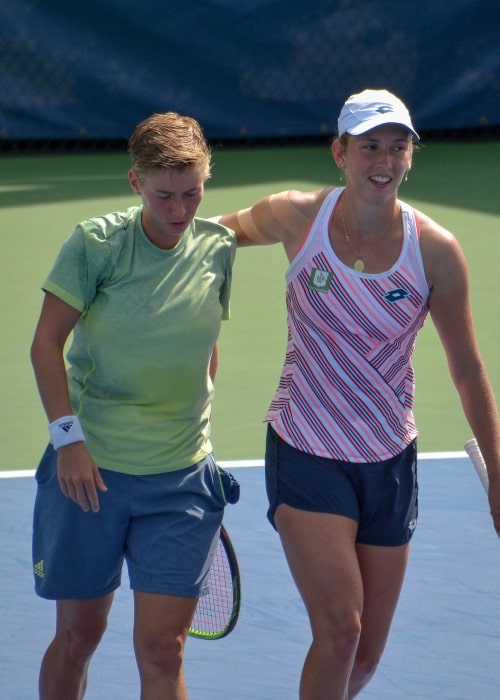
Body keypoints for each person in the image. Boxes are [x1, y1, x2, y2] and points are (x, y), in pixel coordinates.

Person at [218, 88, 500, 699]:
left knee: (365, 656)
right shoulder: (297, 217)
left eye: (398, 148)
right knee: (341, 631)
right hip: (306, 447)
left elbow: (468, 369)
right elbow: (208, 238)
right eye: (370, 146)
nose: (386, 160)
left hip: (389, 460)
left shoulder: (436, 251)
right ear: (339, 152)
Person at [30, 111, 238, 700]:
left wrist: (195, 428)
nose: (180, 209)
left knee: (163, 647)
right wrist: (68, 440)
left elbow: (204, 346)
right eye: (164, 194)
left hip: (181, 481)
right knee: (78, 635)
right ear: (135, 183)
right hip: (88, 475)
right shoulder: (95, 245)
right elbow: (46, 344)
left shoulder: (218, 248)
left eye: (193, 192)